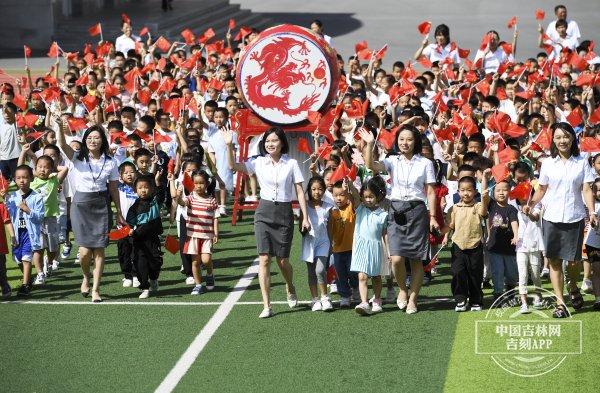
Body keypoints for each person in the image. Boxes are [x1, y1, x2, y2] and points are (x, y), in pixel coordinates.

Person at [225, 127, 310, 318]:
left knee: (282, 261)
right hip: (263, 212)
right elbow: (233, 167)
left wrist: (305, 216)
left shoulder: (292, 163)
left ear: (282, 143)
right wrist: (229, 146)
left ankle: (290, 286)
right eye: (267, 141)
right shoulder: (258, 162)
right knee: (264, 259)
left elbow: (299, 191)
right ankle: (267, 305)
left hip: (284, 213)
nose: (270, 144)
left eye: (274, 141)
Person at [361, 125, 439, 314]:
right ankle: (403, 290)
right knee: (396, 258)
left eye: (409, 139)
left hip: (417, 210)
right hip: (395, 210)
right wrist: (370, 144)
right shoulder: (392, 160)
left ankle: (413, 298)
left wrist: (433, 216)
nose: (405, 143)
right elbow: (371, 166)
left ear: (416, 142)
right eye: (401, 139)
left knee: (416, 260)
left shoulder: (425, 163)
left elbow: (430, 191)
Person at [524, 122, 597, 318]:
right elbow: (541, 189)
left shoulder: (582, 161)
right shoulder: (548, 163)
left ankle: (572, 285)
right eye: (558, 137)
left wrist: (592, 212)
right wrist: (530, 204)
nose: (562, 140)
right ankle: (560, 302)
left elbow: (587, 189)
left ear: (572, 138)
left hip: (574, 217)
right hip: (551, 217)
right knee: (555, 261)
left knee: (573, 262)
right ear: (553, 141)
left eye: (566, 136)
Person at [55, 119, 126, 303]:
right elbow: (62, 144)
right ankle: (86, 276)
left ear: (103, 140)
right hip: (80, 205)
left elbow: (113, 188)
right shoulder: (77, 157)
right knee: (85, 252)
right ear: (85, 140)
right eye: (90, 137)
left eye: (97, 137)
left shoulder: (110, 162)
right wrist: (59, 128)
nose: (93, 140)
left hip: (101, 205)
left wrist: (118, 210)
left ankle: (96, 289)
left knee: (100, 250)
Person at [442, 173, 490, 311]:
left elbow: (484, 210)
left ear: (475, 191)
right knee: (458, 273)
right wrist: (444, 236)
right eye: (462, 190)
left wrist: (484, 190)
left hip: (475, 245)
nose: (466, 193)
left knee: (475, 274)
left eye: (469, 190)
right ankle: (460, 299)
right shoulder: (454, 208)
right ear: (458, 191)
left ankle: (476, 300)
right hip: (458, 245)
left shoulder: (477, 206)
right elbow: (450, 226)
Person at [173, 170, 219, 295]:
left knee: (206, 259)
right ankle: (198, 285)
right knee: (195, 262)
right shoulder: (191, 198)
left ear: (207, 184)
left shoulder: (211, 200)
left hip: (207, 236)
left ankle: (210, 274)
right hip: (192, 236)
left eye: (202, 183)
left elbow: (215, 217)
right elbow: (183, 203)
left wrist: (216, 233)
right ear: (192, 184)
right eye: (196, 183)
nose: (199, 186)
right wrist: (178, 197)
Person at [349, 176, 389, 316]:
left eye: (371, 197)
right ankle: (364, 302)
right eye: (365, 197)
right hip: (361, 247)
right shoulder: (360, 209)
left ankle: (377, 300)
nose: (368, 200)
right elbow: (354, 193)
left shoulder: (383, 214)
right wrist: (349, 183)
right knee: (362, 276)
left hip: (376, 248)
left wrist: (388, 251)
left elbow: (385, 234)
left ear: (378, 196)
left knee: (377, 277)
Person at [6, 165, 45, 295]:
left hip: (29, 232)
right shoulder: (11, 196)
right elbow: (7, 215)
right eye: (18, 178)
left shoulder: (36, 197)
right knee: (17, 258)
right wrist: (4, 198)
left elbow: (40, 217)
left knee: (26, 258)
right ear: (15, 180)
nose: (22, 180)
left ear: (31, 178)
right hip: (17, 233)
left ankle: (25, 285)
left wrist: (28, 210)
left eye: (25, 177)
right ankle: (28, 279)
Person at [126, 175, 164, 299]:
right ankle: (145, 287)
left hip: (153, 240)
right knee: (140, 264)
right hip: (139, 242)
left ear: (151, 189)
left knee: (155, 264)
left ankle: (153, 278)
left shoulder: (155, 202)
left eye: (146, 187)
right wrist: (130, 230)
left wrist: (158, 181)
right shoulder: (133, 208)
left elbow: (162, 194)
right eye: (140, 188)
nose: (143, 190)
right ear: (135, 190)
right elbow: (129, 224)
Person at [300, 176, 333, 312]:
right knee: (311, 272)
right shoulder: (305, 207)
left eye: (320, 189)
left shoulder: (328, 207)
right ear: (309, 190)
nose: (317, 192)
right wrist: (303, 228)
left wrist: (331, 244)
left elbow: (330, 228)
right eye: (313, 189)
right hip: (309, 242)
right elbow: (301, 228)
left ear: (324, 190)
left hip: (323, 242)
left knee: (320, 269)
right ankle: (315, 299)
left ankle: (325, 297)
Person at [584, 178, 600, 310]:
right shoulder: (591, 205)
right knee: (596, 269)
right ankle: (598, 299)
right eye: (597, 190)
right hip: (593, 242)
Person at [0, 103, 22, 180]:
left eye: (9, 112)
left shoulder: (16, 124)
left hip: (15, 158)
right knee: (3, 181)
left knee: (17, 179)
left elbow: (18, 120)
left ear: (15, 113)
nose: (6, 115)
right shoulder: (2, 125)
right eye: (4, 113)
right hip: (3, 158)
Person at [0, 186, 15, 298]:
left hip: (0, 247)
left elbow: (8, 222)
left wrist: (13, 236)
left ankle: (4, 285)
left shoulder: (1, 207)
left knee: (1, 269)